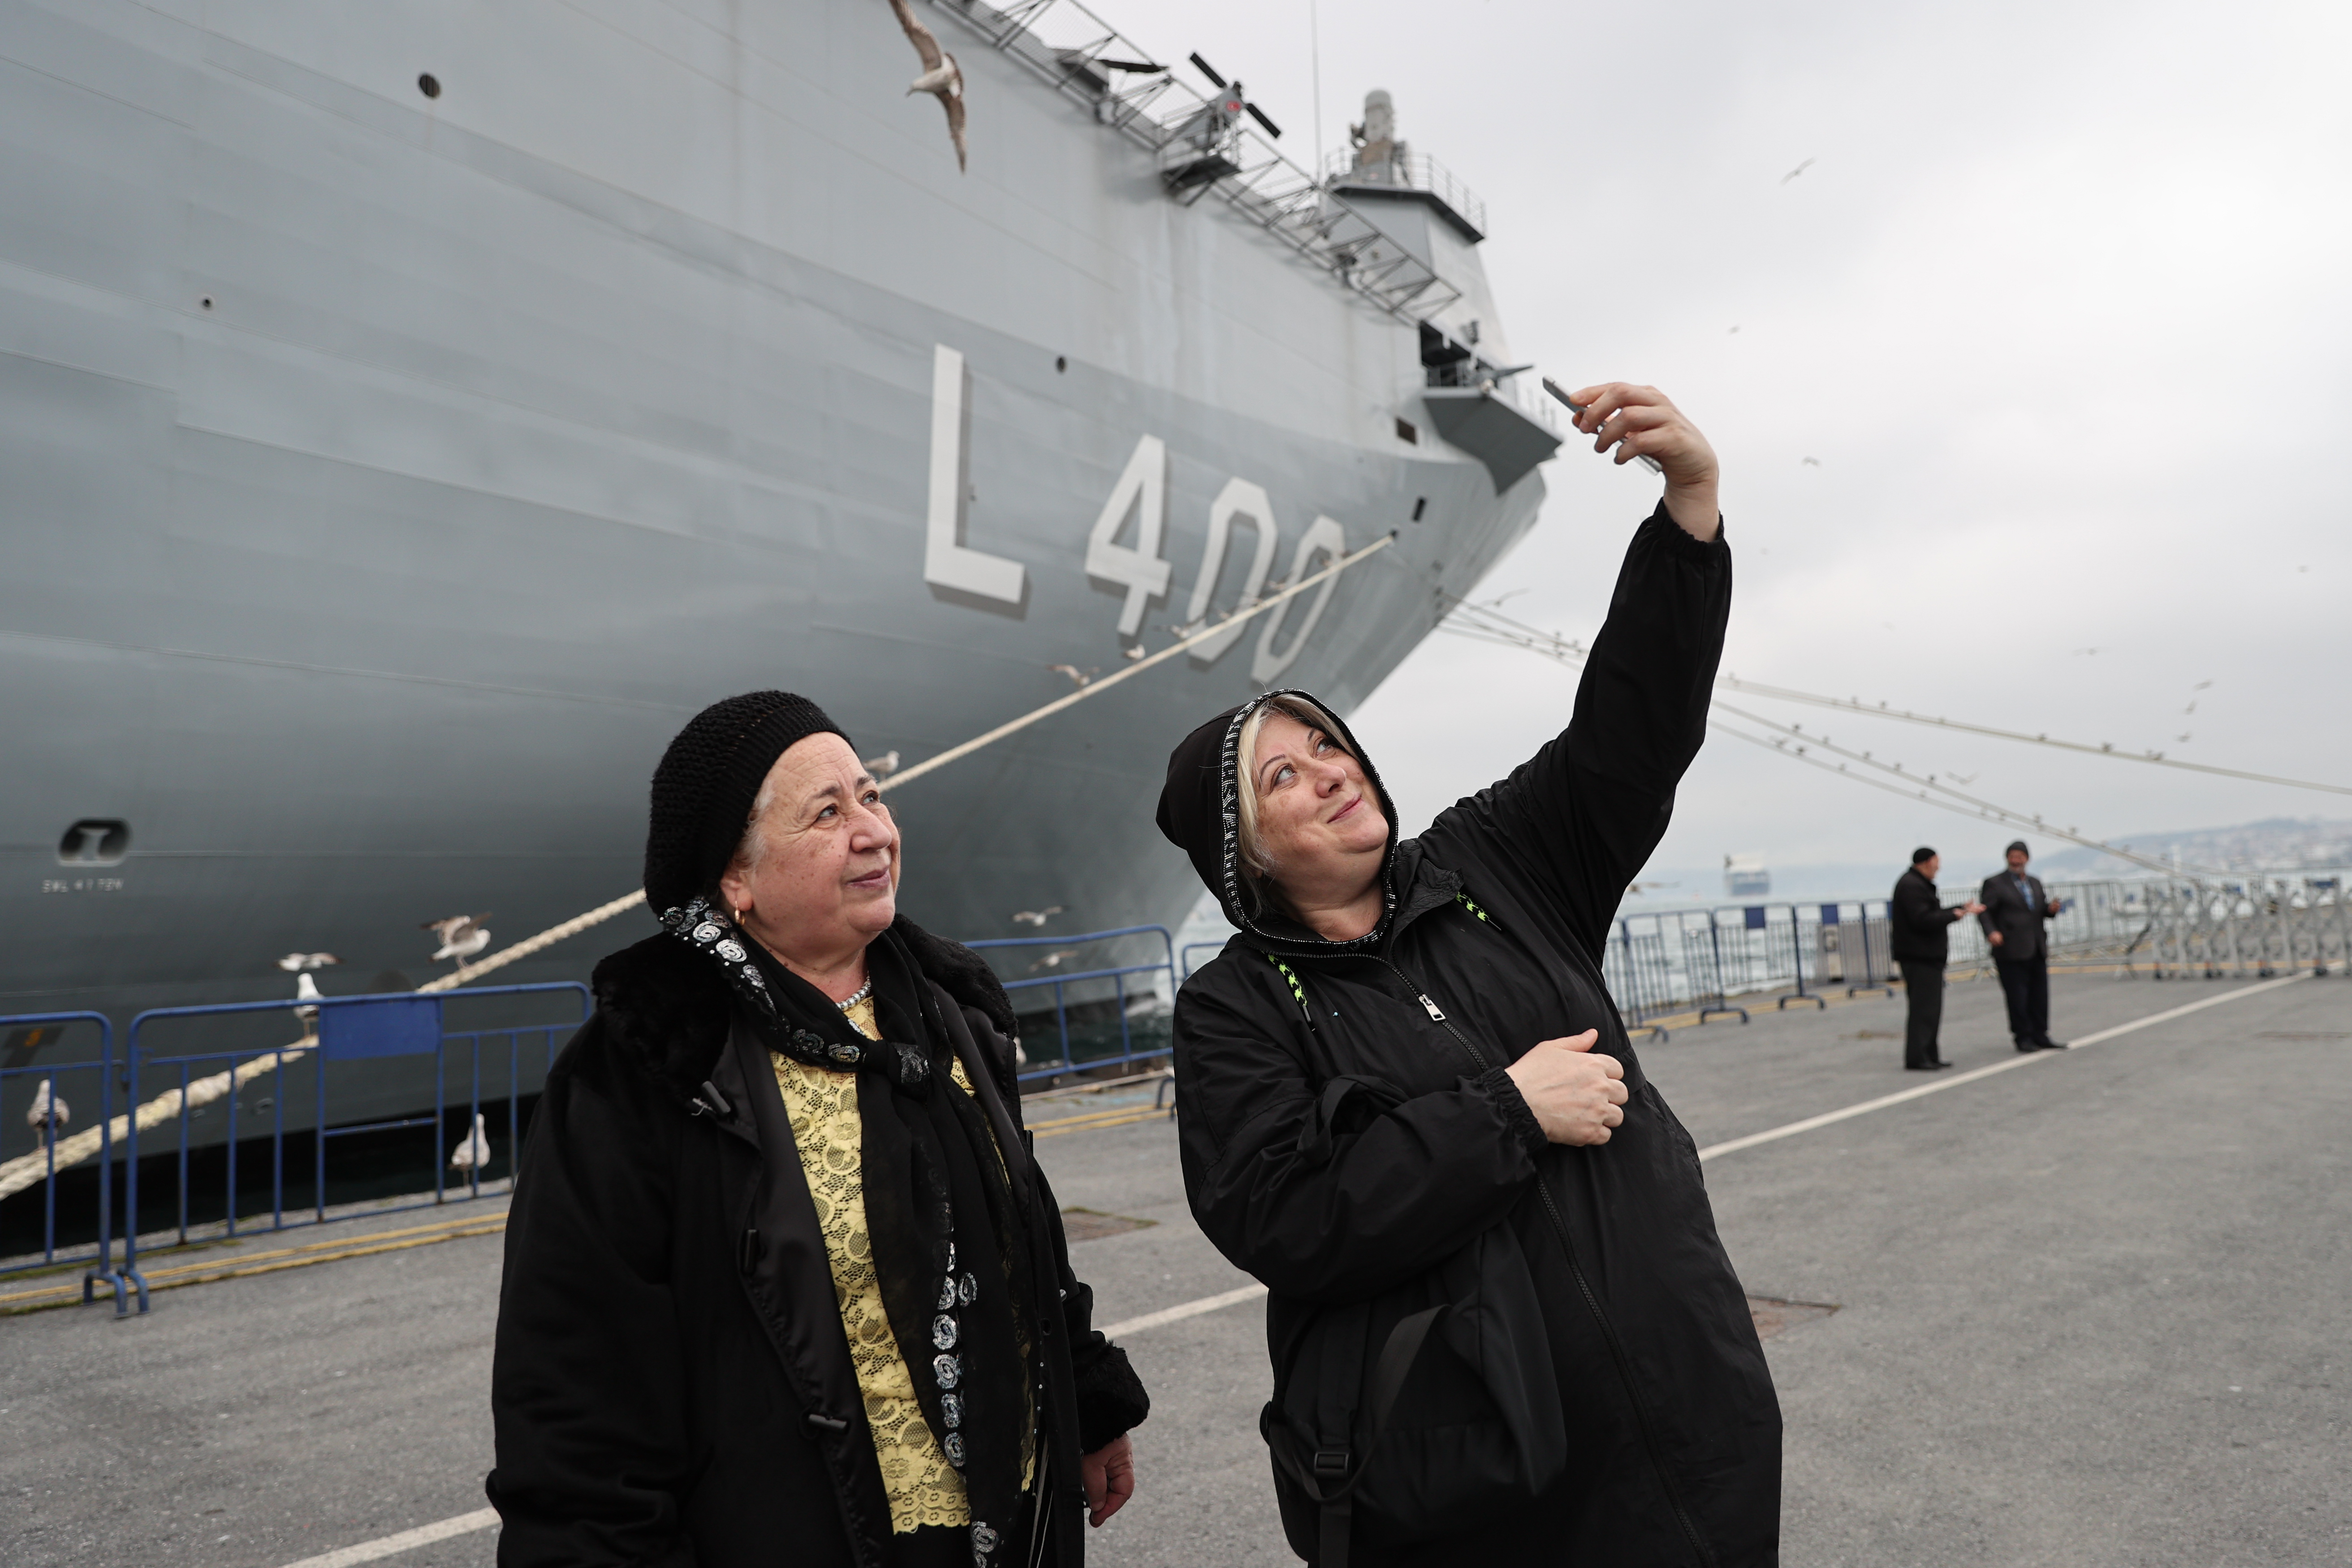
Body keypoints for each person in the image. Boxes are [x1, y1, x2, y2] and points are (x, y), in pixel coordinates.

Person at [1157, 385, 1779, 1567]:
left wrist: (1689, 508)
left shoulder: (1496, 859)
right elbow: (1287, 1217)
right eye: (1280, 777)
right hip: (1480, 1478)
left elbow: (1629, 730)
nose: (1330, 772)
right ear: (1239, 856)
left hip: (1691, 1415)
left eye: (1327, 743)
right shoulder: (1236, 1005)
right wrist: (1507, 1111)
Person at [487, 693, 1149, 1568]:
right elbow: (576, 1390)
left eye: (871, 797)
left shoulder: (953, 1016)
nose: (872, 831)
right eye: (827, 813)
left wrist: (1086, 1405)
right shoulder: (647, 1068)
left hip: (1005, 1528)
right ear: (737, 878)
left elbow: (1023, 1229)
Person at [1889, 847, 1985, 1071]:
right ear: (1926, 862)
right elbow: (1922, 919)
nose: (1939, 867)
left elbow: (1930, 914)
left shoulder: (1917, 884)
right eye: (1936, 862)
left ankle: (1930, 1054)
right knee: (1923, 1009)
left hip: (1926, 956)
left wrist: (1959, 909)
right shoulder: (1911, 886)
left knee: (1931, 1009)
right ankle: (1918, 1057)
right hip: (1919, 956)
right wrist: (1952, 915)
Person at [1978, 838, 2066, 1052]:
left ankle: (2041, 1034)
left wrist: (2050, 910)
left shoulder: (2035, 882)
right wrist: (1992, 932)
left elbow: (2038, 911)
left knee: (2040, 994)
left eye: (2020, 856)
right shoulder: (1995, 883)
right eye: (2013, 856)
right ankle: (2023, 1037)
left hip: (2036, 946)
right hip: (2010, 948)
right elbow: (1985, 912)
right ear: (2007, 858)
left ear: (2027, 859)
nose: (2016, 860)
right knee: (2018, 996)